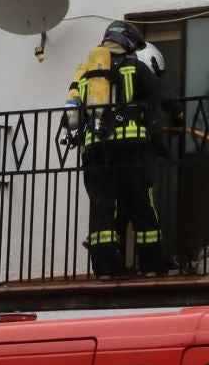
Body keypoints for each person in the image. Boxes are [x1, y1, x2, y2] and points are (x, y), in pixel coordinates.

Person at [65, 20, 168, 278]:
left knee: (102, 207)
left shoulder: (84, 71)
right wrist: (175, 117)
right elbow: (162, 98)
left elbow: (71, 117)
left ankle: (105, 268)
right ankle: (151, 266)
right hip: (131, 149)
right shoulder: (135, 67)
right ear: (129, 42)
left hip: (94, 150)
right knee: (141, 204)